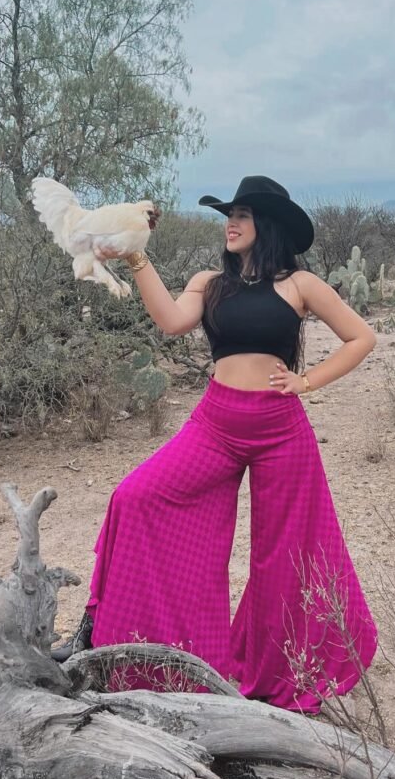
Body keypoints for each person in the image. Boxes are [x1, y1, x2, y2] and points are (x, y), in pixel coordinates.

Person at [54, 175, 378, 714]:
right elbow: (172, 322)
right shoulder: (211, 281)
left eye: (242, 215)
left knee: (286, 554)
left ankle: (286, 672)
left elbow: (361, 337)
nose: (230, 222)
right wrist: (137, 259)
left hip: (281, 429)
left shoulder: (300, 284)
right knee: (135, 497)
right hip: (217, 424)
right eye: (228, 214)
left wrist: (306, 381)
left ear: (266, 225)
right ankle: (120, 640)